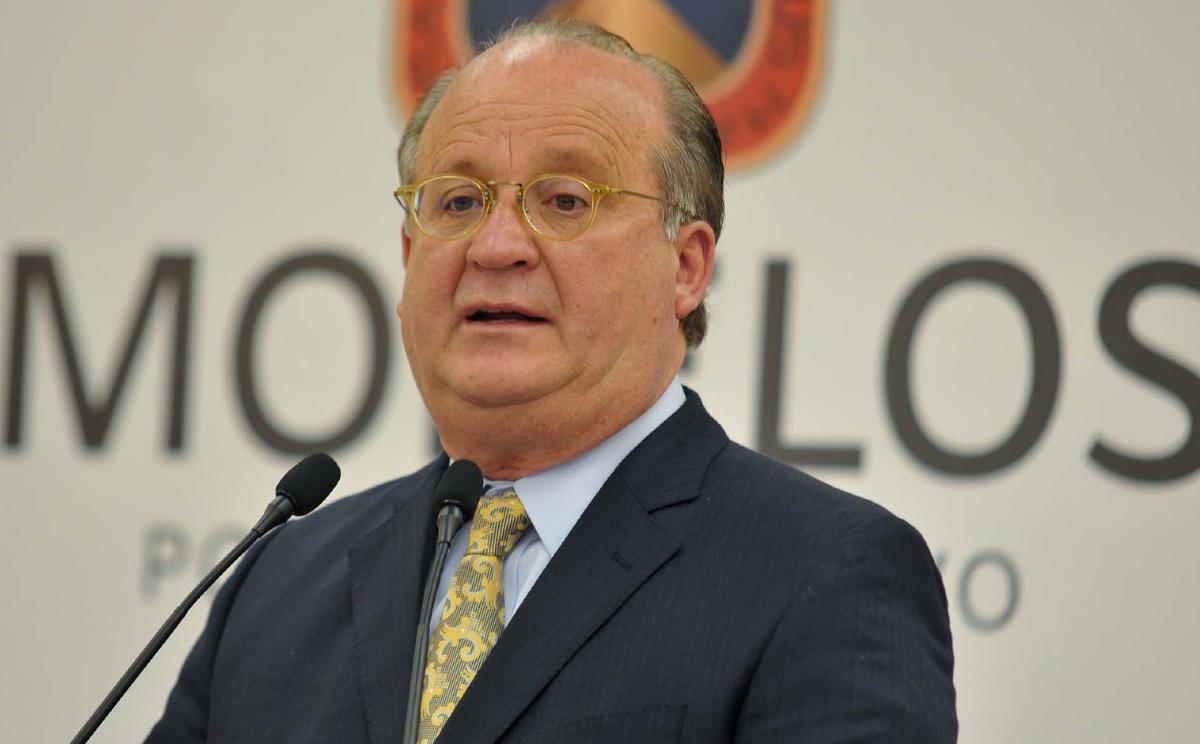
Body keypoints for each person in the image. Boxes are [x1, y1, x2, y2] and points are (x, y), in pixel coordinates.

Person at [148, 18, 956, 743]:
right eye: (457, 202)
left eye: (566, 201)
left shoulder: (826, 573)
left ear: (685, 267)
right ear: (408, 258)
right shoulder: (279, 582)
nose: (496, 246)